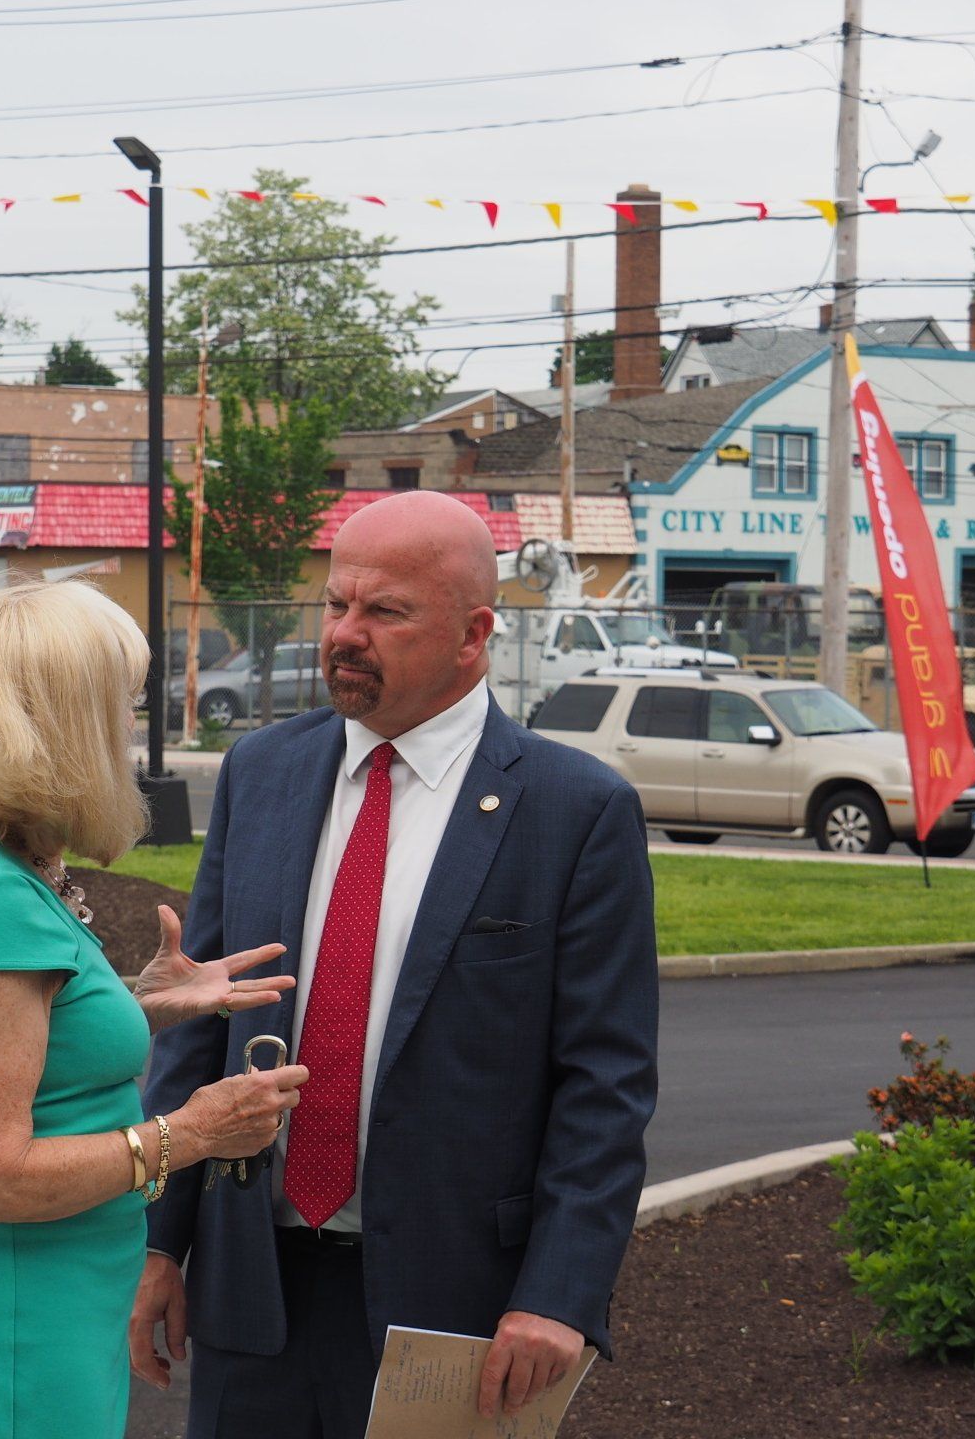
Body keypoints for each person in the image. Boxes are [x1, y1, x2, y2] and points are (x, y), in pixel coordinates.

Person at [131, 491, 660, 1438]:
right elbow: (202, 1017)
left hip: (456, 1308)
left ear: (473, 633)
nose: (345, 634)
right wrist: (158, 1238)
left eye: (384, 613)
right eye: (337, 605)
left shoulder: (573, 812)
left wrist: (561, 1294)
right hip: (254, 1282)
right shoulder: (262, 771)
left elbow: (606, 1082)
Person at [0, 578, 309, 1439]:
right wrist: (194, 1133)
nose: (129, 731)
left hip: (35, 1307)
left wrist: (135, 1006)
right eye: (121, 706)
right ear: (63, 723)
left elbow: (27, 1054)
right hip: (10, 1316)